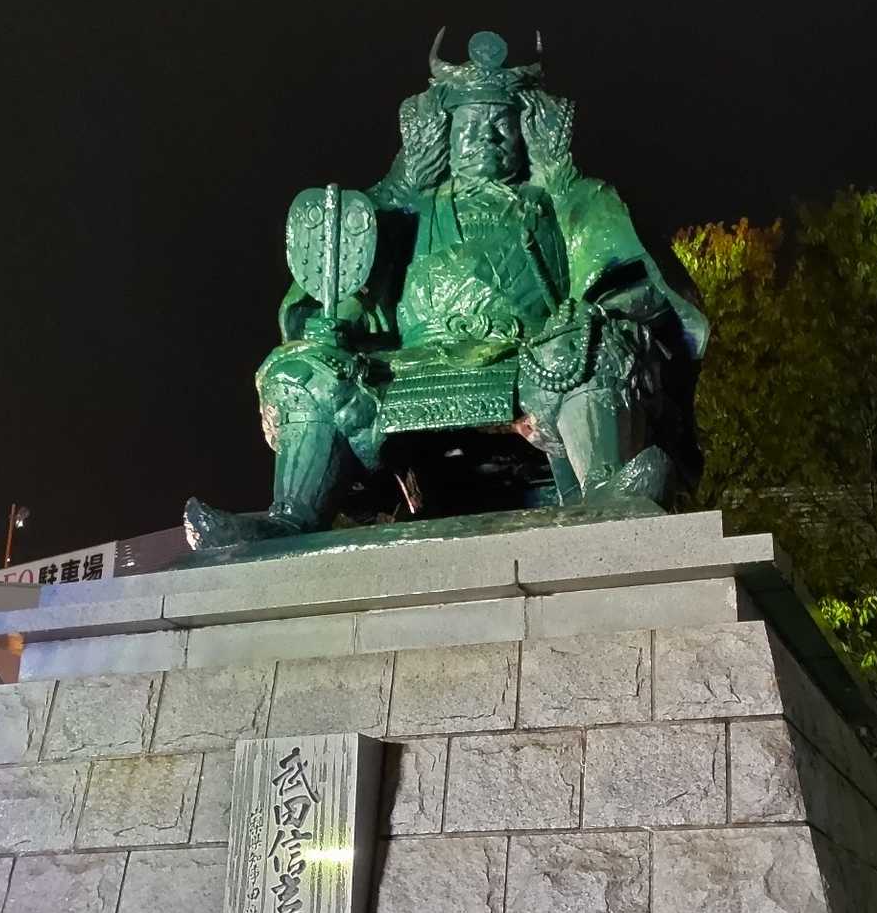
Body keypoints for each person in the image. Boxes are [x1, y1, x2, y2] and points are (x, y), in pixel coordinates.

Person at [185, 29, 708, 549]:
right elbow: (348, 278)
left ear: (525, 134)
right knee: (307, 367)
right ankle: (292, 515)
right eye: (470, 126)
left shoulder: (559, 200)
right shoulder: (402, 212)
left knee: (591, 345)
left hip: (532, 354)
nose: (487, 138)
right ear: (446, 135)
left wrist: (587, 308)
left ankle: (606, 490)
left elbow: (623, 274)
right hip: (409, 363)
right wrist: (335, 321)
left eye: (502, 126)